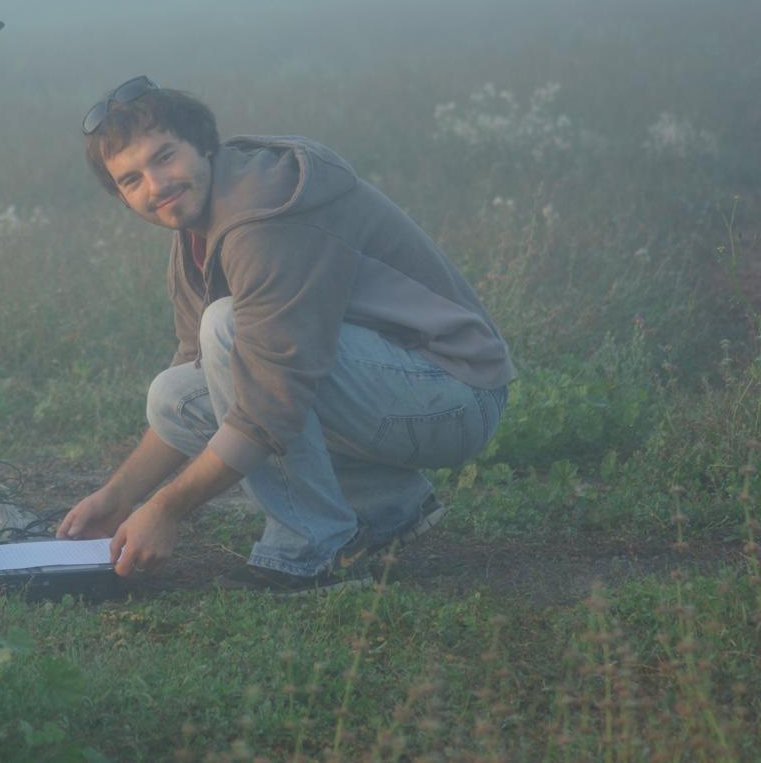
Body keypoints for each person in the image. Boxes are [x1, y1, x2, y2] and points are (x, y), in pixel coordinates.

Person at [57, 77, 513, 594]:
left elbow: (269, 408)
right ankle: (384, 504)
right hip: (384, 385)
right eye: (131, 180)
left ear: (204, 144)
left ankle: (311, 553)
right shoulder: (195, 229)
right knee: (175, 394)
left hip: (453, 394)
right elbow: (205, 371)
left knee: (229, 329)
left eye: (164, 157)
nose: (155, 185)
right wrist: (118, 498)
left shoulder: (265, 213)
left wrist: (165, 509)